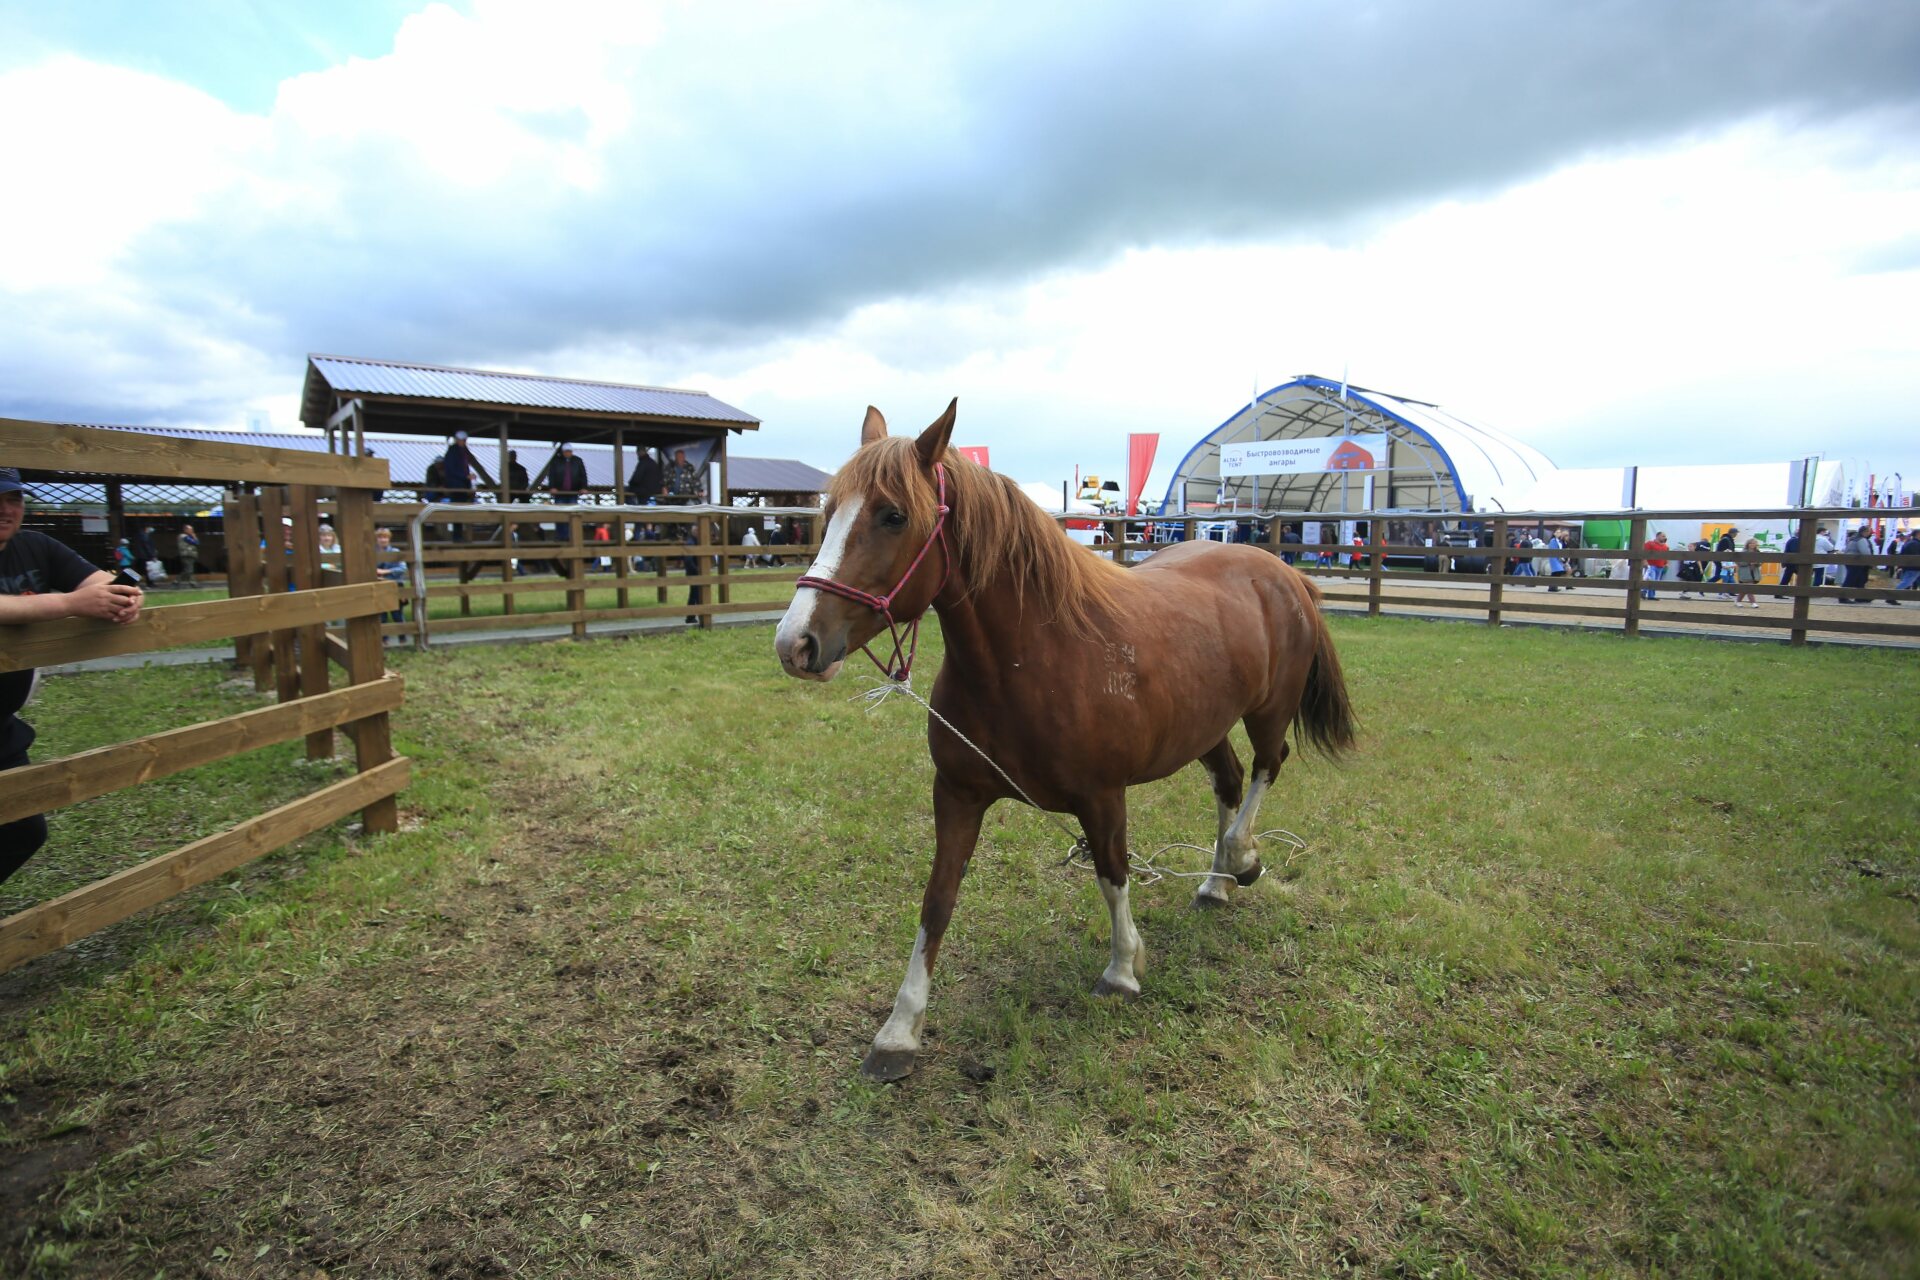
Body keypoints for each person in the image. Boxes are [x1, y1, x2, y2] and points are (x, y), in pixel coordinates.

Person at [0, 468, 144, 881]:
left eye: (14, 499)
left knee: (23, 828)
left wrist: (127, 596)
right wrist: (68, 603)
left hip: (2, 724)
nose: (6, 509)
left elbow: (105, 582)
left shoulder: (36, 546)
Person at [373, 526, 409, 625]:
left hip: (395, 585)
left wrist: (385, 571)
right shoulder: (372, 552)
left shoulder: (395, 552)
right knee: (381, 616)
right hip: (378, 586)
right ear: (376, 539)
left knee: (397, 615)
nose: (383, 540)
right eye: (380, 537)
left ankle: (403, 634)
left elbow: (402, 568)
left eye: (385, 537)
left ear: (389, 539)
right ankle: (384, 635)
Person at [1839, 526, 1874, 603]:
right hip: (1857, 562)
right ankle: (1843, 597)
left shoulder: (1852, 539)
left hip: (1849, 561)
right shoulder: (1861, 540)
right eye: (1869, 532)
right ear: (1865, 532)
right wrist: (1871, 562)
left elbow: (1846, 550)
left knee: (1859, 579)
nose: (1869, 533)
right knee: (1851, 579)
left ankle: (1860, 596)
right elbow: (1866, 552)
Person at [1734, 537, 1761, 607]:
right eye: (1751, 543)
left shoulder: (1757, 552)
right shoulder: (1743, 552)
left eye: (1754, 543)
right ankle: (1753, 602)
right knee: (1749, 587)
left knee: (1745, 588)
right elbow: (1739, 562)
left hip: (1754, 572)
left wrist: (1757, 563)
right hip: (1745, 572)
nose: (1752, 544)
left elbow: (1760, 562)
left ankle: (1737, 601)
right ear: (1748, 544)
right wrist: (1748, 563)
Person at [1642, 532, 1669, 599]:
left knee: (1656, 581)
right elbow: (1644, 552)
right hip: (1651, 565)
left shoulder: (1666, 546)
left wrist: (1666, 563)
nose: (1664, 537)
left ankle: (1650, 595)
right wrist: (1645, 561)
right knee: (1652, 579)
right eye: (1663, 536)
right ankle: (1644, 591)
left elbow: (1666, 556)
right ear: (1657, 536)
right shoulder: (1649, 543)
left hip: (1660, 566)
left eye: (1664, 536)